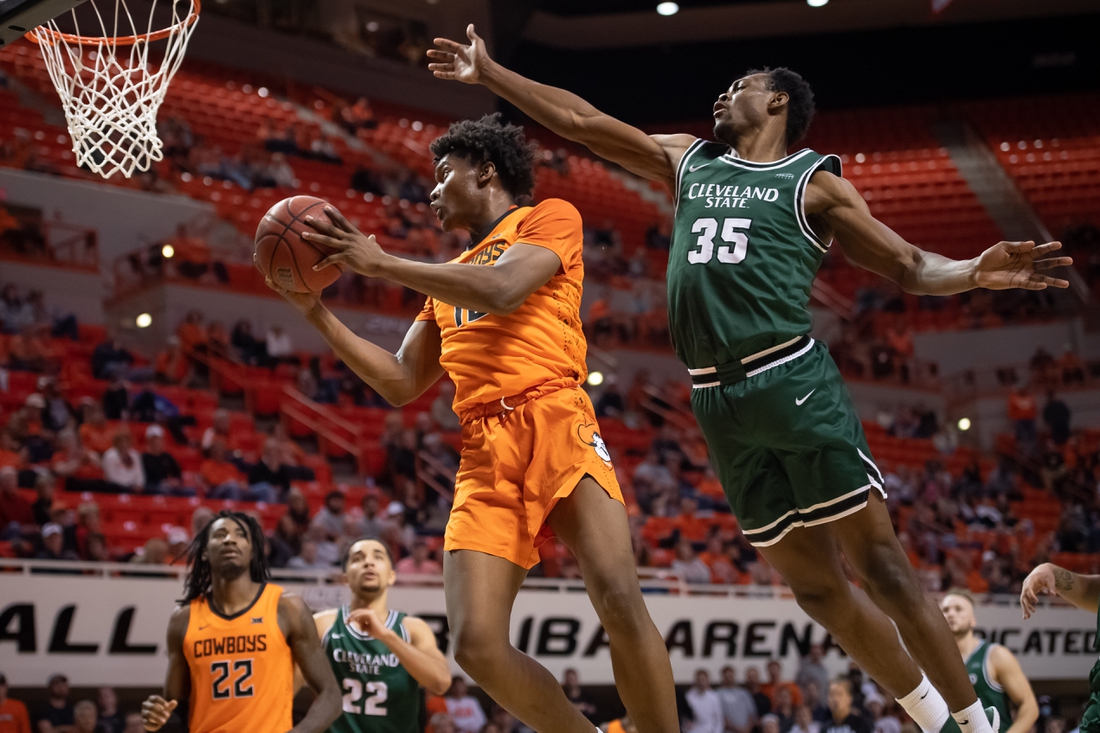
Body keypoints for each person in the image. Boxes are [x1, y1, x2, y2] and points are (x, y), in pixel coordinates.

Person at [428, 30, 1078, 733]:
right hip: (717, 401)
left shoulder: (812, 182)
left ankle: (978, 727)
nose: (721, 92)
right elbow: (584, 123)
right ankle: (932, 719)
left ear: (777, 101)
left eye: (738, 84)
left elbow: (909, 265)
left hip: (789, 376)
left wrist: (972, 271)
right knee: (818, 590)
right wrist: (494, 73)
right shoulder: (691, 159)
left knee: (882, 569)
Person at [268, 114, 678, 732]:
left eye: (442, 175)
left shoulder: (548, 218)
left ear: (485, 170)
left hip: (555, 419)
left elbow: (506, 288)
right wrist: (315, 310)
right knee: (476, 645)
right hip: (484, 450)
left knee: (619, 598)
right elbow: (402, 381)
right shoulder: (445, 281)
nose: (431, 192)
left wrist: (381, 265)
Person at [139, 511, 341, 733]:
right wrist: (158, 718)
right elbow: (176, 711)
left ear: (252, 551)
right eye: (220, 534)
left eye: (240, 535)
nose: (229, 539)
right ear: (204, 552)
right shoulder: (183, 619)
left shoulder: (286, 608)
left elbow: (331, 694)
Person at [300, 537, 450, 733]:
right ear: (345, 578)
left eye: (377, 557)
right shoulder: (322, 625)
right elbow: (285, 685)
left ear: (391, 576)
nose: (368, 562)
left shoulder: (412, 629)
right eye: (358, 559)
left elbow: (441, 683)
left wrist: (387, 636)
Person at [940, 590, 1038, 733]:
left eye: (958, 609)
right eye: (945, 610)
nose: (951, 614)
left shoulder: (995, 655)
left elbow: (1030, 707)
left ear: (973, 620)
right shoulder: (935, 663)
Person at [717, 666, 758, 733]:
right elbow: (720, 716)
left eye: (731, 676)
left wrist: (747, 729)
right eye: (727, 676)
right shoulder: (718, 694)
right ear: (723, 677)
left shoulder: (744, 693)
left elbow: (751, 714)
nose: (729, 679)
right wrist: (737, 729)